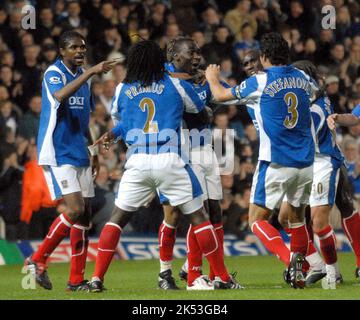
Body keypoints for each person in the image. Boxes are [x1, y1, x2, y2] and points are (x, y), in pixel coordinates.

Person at [88, 40, 243, 292]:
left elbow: (124, 120)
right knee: (199, 217)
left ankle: (96, 279)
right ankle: (220, 276)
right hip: (170, 158)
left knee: (116, 220)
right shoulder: (175, 84)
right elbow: (200, 111)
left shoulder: (122, 89)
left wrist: (112, 135)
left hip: (136, 161)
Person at [205, 32, 316, 289]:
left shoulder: (260, 81)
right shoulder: (302, 77)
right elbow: (310, 96)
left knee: (256, 220)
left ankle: (291, 261)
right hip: (306, 162)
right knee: (298, 219)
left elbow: (221, 95)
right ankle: (299, 271)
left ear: (264, 57)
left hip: (276, 160)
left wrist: (212, 78)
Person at [24, 30, 118, 291]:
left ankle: (76, 281)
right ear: (62, 50)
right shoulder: (54, 74)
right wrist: (90, 72)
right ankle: (36, 259)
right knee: (75, 209)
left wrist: (93, 150)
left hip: (80, 151)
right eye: (74, 47)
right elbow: (59, 96)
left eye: (83, 47)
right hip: (58, 151)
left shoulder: (82, 79)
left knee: (84, 217)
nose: (80, 51)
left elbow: (83, 119)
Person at [156, 36, 237, 290]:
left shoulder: (202, 78)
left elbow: (228, 96)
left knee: (214, 211)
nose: (196, 57)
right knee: (180, 213)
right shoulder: (163, 79)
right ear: (176, 55)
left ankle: (217, 274)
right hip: (179, 150)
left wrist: (211, 84)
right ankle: (174, 273)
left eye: (198, 52)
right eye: (191, 52)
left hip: (206, 149)